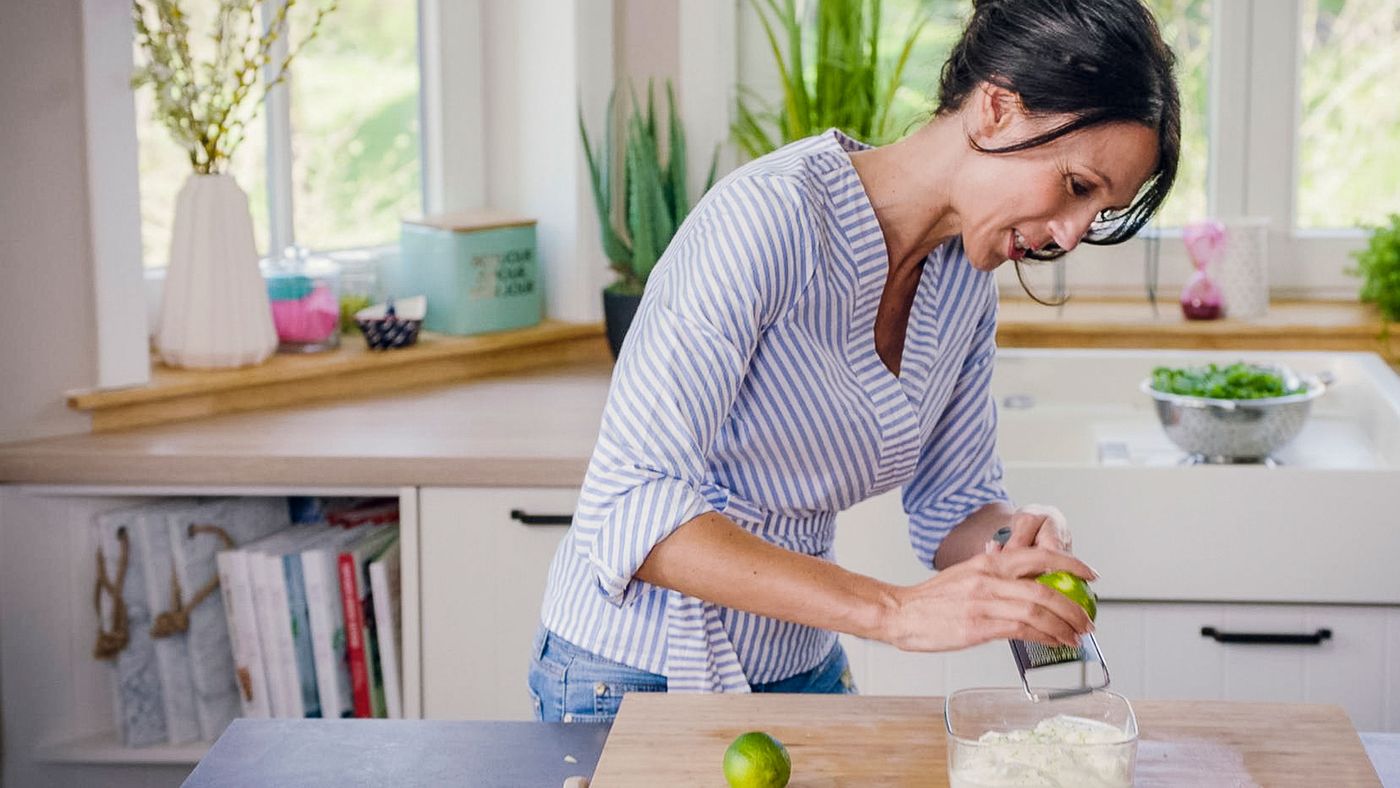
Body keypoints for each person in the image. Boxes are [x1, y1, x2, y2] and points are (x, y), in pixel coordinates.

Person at [529, 0, 1180, 722]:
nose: (1070, 236)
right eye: (1077, 187)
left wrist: (1017, 540)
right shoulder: (772, 220)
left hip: (800, 661)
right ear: (996, 109)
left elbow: (953, 507)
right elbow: (631, 505)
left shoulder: (963, 283)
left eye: (1097, 215)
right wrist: (895, 613)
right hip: (629, 673)